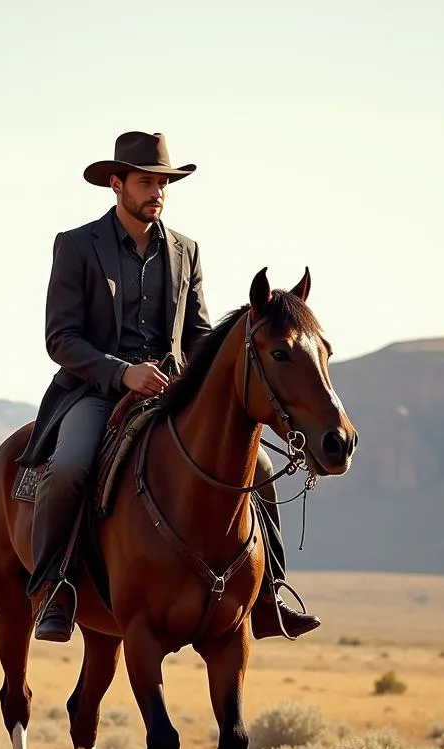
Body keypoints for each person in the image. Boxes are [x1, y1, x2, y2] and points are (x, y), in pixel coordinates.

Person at [16, 131, 320, 644]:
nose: (157, 191)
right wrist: (121, 372)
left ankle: (269, 595)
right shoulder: (76, 246)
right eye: (146, 182)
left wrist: (198, 380)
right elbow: (60, 338)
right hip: (94, 390)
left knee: (262, 465)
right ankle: (55, 587)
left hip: (169, 391)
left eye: (163, 183)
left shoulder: (186, 250)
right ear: (117, 184)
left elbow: (199, 335)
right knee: (70, 467)